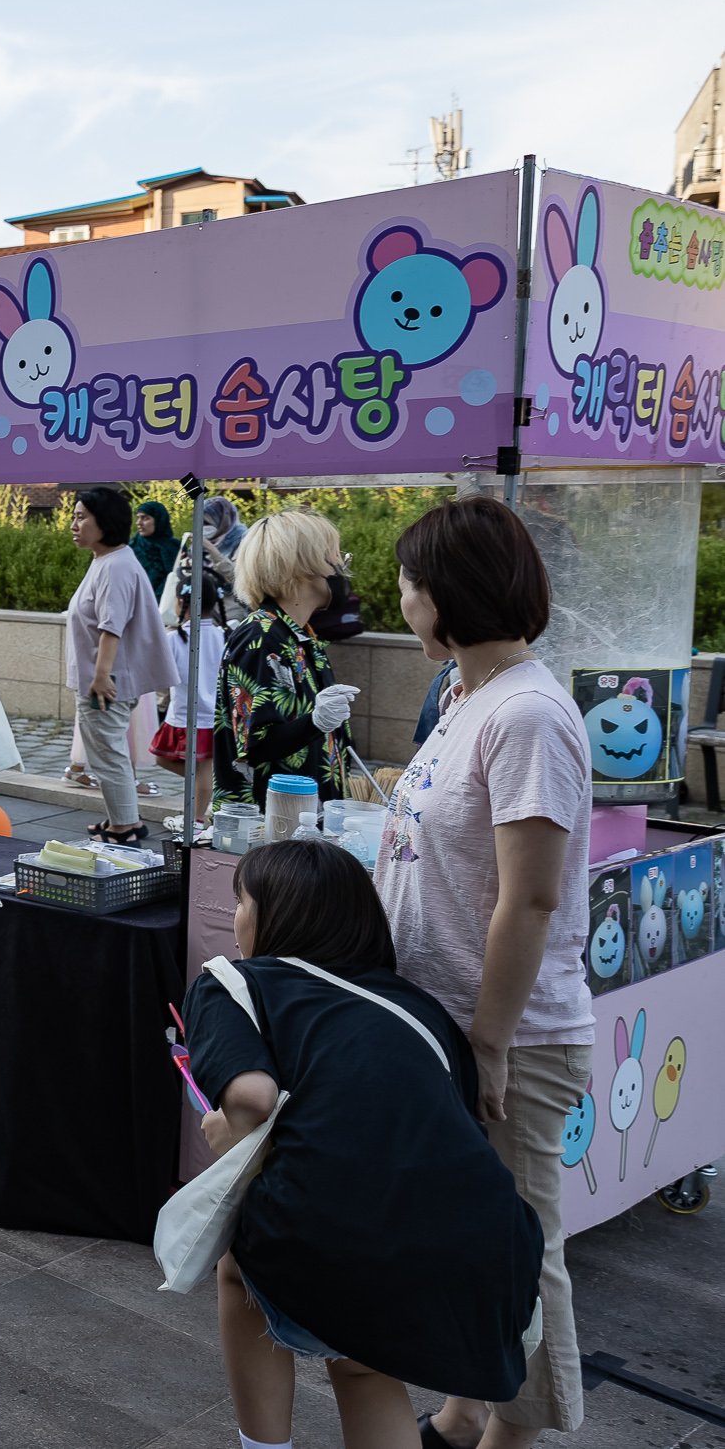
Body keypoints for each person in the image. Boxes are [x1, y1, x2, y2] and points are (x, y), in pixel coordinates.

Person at [189, 839, 543, 1449]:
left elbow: (250, 1097)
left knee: (238, 1268)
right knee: (361, 1363)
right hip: (484, 1245)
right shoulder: (418, 1007)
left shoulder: (236, 983)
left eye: (241, 900)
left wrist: (228, 1128)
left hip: (333, 1231)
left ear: (274, 916)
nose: (238, 917)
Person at [376, 496, 592, 1449]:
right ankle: (468, 1411)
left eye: (410, 585)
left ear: (448, 594)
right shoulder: (471, 694)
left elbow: (531, 898)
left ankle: (518, 1432)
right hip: (456, 1027)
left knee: (519, 1250)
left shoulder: (530, 714)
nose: (402, 601)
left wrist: (493, 1042)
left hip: (510, 1037)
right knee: (476, 1239)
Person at [218, 507, 359, 810]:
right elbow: (256, 744)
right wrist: (317, 721)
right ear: (304, 566)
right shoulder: (261, 636)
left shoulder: (299, 635)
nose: (341, 567)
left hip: (305, 818)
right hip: (272, 825)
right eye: (336, 557)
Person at [66, 486, 178, 846]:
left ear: (106, 523)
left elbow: (111, 626)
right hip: (107, 678)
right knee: (109, 752)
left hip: (105, 682)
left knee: (108, 756)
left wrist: (100, 676)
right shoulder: (110, 560)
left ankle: (124, 827)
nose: (74, 523)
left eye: (82, 516)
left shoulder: (115, 566)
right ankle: (122, 820)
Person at [151, 562, 228, 781]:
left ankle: (198, 814)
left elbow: (159, 676)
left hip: (187, 714)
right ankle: (207, 791)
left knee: (193, 768)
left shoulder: (174, 639)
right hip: (210, 715)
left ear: (181, 602)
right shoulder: (225, 635)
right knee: (172, 760)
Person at [131, 499, 178, 598]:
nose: (139, 523)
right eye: (138, 518)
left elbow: (176, 580)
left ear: (159, 520)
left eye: (145, 518)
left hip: (165, 605)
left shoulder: (174, 548)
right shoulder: (132, 547)